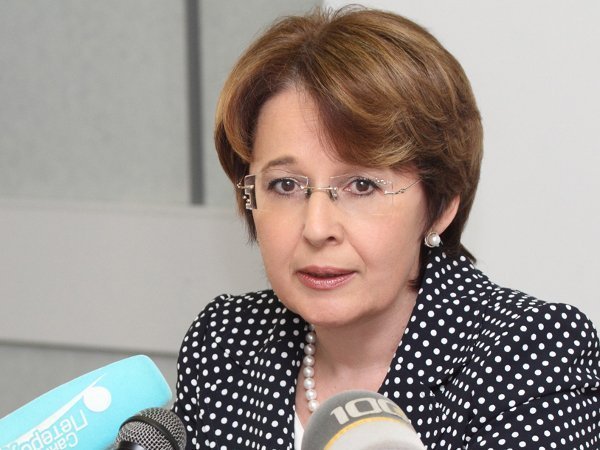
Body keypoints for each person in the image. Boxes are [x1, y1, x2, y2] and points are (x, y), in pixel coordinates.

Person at [172, 6, 600, 449]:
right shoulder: (225, 342)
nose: (317, 228)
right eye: (285, 185)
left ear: (440, 206)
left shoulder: (527, 353)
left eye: (362, 185)